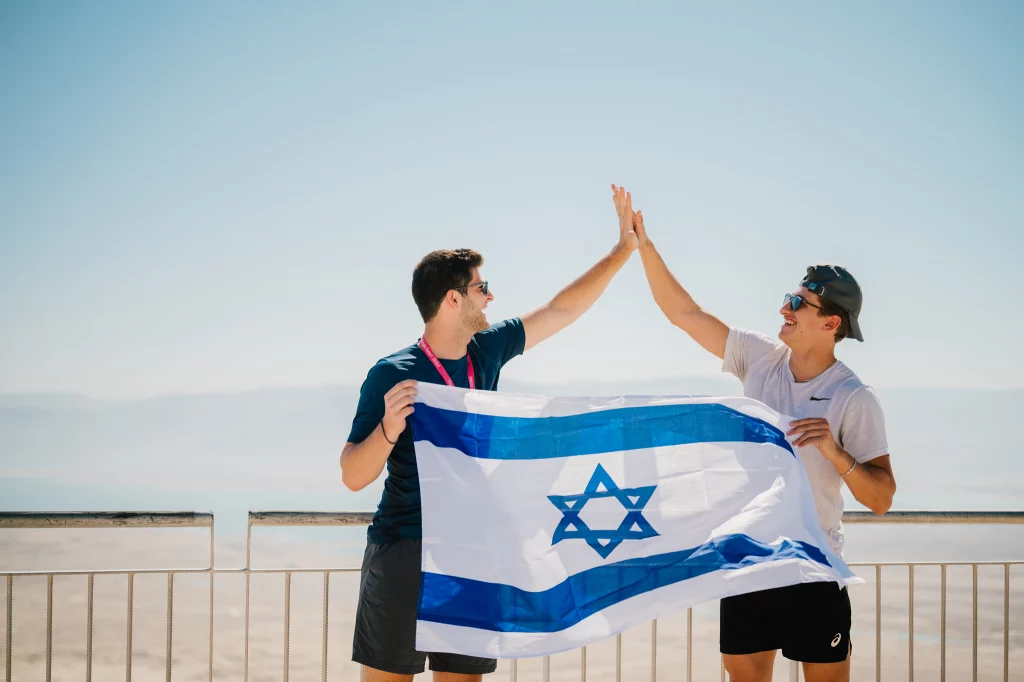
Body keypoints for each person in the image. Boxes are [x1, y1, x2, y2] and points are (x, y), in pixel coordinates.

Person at [340, 186, 639, 681]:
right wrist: (390, 429)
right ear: (454, 298)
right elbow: (353, 475)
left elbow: (561, 310)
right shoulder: (392, 372)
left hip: (473, 552)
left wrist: (622, 251)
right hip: (404, 549)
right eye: (482, 287)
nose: (491, 296)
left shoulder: (487, 351)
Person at [624, 186, 896, 682]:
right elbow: (685, 314)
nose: (784, 308)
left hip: (814, 570)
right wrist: (645, 247)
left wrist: (836, 455)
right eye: (788, 297)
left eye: (798, 301)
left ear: (831, 321)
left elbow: (881, 498)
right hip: (749, 562)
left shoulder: (854, 397)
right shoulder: (759, 357)